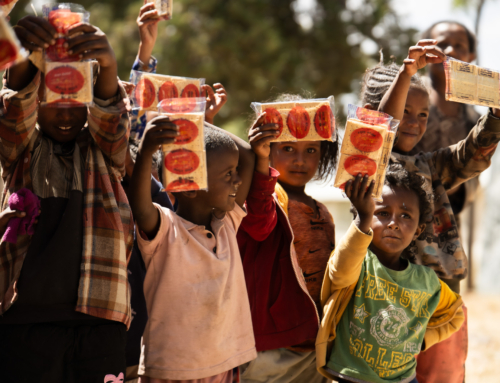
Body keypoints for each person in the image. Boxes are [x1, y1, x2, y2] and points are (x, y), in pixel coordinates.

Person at [0, 14, 133, 382]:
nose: (65, 114)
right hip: (23, 324)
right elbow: (14, 115)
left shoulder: (104, 153)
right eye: (54, 100)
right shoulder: (20, 151)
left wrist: (108, 64)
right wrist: (22, 56)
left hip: (99, 323)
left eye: (77, 102)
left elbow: (112, 122)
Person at [362, 40, 500, 383]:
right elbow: (381, 129)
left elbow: (469, 155)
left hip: (440, 297)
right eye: (405, 111)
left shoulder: (427, 166)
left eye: (422, 114)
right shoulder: (364, 167)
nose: (414, 122)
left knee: (443, 375)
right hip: (384, 300)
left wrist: (496, 115)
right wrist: (408, 72)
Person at [129, 116, 257, 382]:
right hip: (172, 369)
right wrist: (146, 152)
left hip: (223, 364)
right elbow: (140, 207)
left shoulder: (227, 223)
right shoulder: (166, 230)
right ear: (189, 187)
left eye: (235, 172)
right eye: (227, 174)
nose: (237, 180)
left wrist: (194, 120)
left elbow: (247, 155)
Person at [316, 165, 465, 383]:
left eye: (405, 215)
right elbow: (339, 273)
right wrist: (363, 218)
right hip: (353, 377)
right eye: (382, 213)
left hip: (405, 379)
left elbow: (455, 315)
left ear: (418, 230)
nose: (394, 223)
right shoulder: (357, 263)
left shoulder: (426, 281)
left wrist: (420, 340)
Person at [237, 95, 338, 383]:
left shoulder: (323, 212)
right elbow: (259, 224)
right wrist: (259, 161)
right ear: (268, 149)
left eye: (311, 150)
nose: (299, 160)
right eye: (288, 148)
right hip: (271, 347)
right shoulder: (265, 198)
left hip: (313, 344)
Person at [412, 21, 480, 227]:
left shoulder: (475, 119)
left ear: (470, 58)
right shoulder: (405, 96)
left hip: (445, 227)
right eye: (442, 44)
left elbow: (475, 174)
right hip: (398, 214)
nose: (450, 50)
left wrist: (454, 187)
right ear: (425, 50)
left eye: (460, 46)